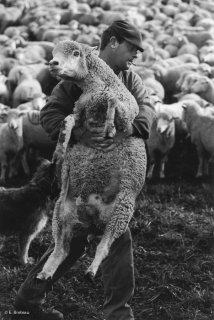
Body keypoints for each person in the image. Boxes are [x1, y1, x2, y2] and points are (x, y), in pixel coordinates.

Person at [14, 20, 156, 320]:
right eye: (132, 48)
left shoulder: (129, 79)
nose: (136, 55)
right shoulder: (75, 75)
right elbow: (50, 113)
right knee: (82, 235)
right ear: (113, 43)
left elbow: (146, 108)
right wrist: (79, 134)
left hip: (114, 173)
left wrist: (129, 127)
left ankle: (28, 298)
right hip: (83, 172)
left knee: (88, 236)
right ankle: (117, 313)